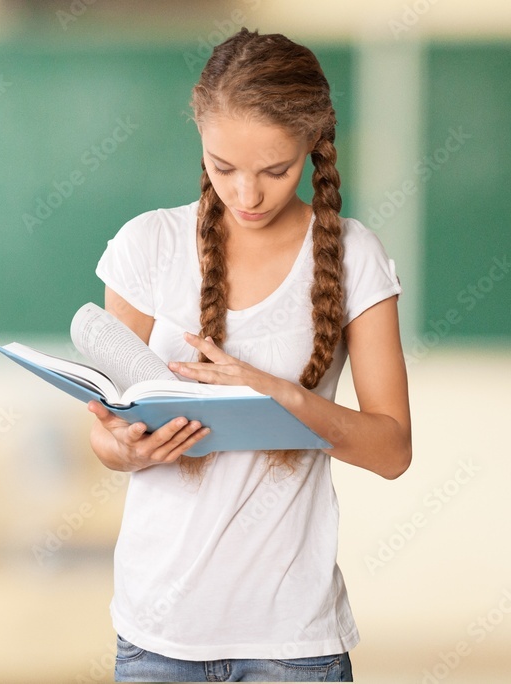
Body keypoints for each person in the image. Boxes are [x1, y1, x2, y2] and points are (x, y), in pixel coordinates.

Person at [87, 28, 411, 683]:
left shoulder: (355, 255)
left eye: (275, 170)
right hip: (157, 635)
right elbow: (105, 431)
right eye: (222, 167)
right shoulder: (146, 246)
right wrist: (128, 449)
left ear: (314, 146)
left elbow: (392, 450)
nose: (247, 196)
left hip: (292, 641)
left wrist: (286, 396)